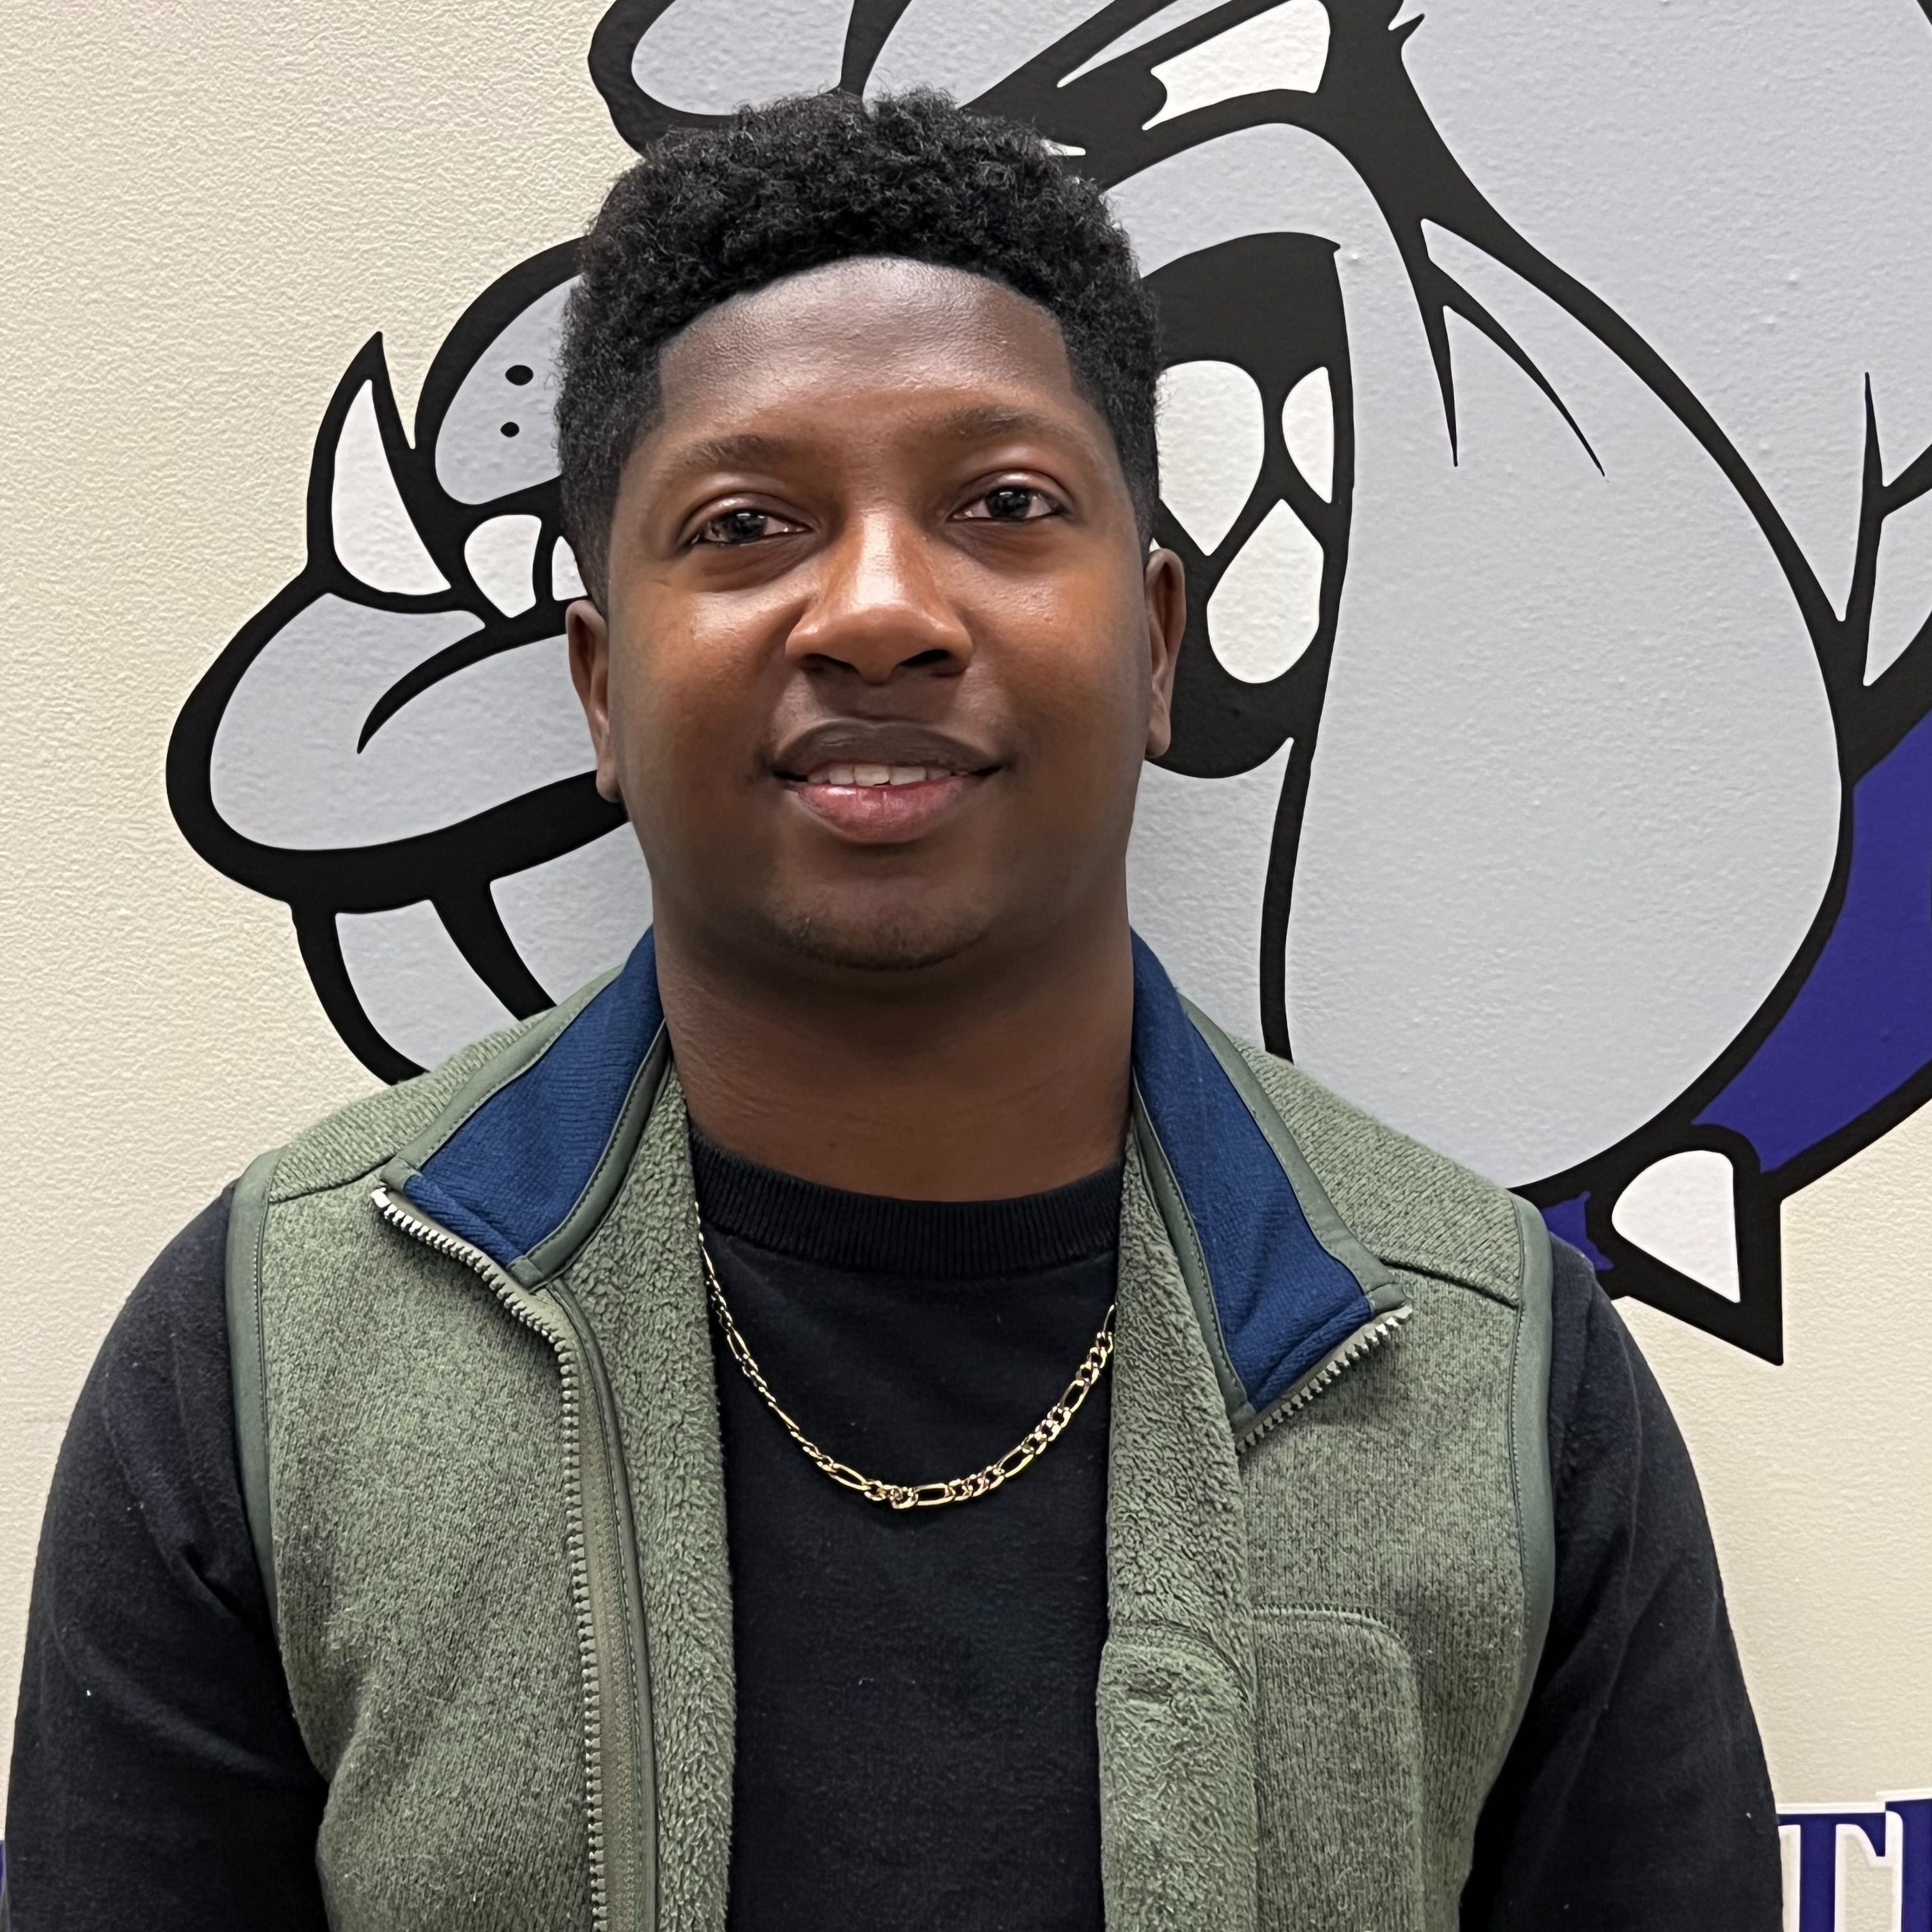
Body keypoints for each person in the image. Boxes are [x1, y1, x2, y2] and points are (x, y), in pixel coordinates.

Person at [3, 89, 1781, 1931]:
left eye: (1003, 506)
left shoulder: (1486, 1371)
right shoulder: (270, 1359)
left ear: (1156, 644)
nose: (874, 610)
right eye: (749, 521)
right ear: (602, 695)